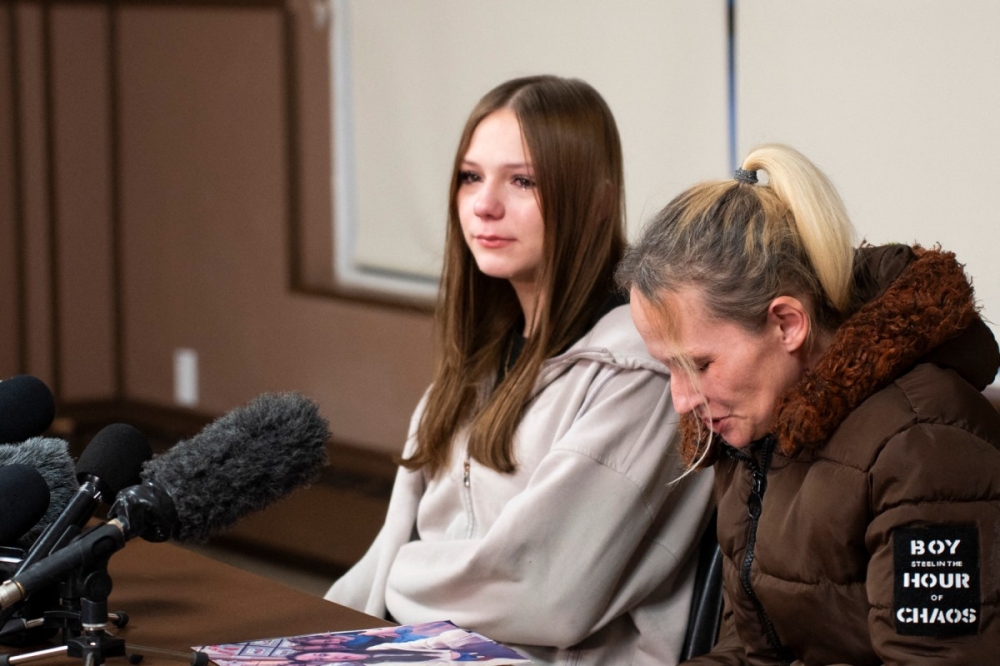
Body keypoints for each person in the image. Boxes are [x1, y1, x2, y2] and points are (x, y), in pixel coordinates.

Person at [325, 75, 714, 666]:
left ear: (597, 200)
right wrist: (316, 629)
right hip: (428, 648)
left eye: (523, 181)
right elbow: (390, 546)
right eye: (470, 177)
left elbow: (542, 592)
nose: (484, 204)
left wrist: (397, 575)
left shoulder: (642, 373)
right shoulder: (476, 365)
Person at [616, 143, 1000, 665]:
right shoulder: (753, 435)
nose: (682, 401)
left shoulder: (923, 447)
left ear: (787, 324)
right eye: (669, 367)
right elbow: (751, 653)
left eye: (700, 364)